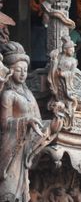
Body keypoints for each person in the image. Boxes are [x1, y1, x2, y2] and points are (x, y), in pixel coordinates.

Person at [0, 42, 45, 201]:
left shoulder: (28, 93)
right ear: (10, 71)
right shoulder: (8, 95)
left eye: (25, 70)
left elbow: (36, 117)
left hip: (24, 147)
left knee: (24, 189)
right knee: (10, 191)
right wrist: (25, 121)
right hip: (12, 149)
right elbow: (4, 124)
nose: (23, 74)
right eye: (18, 70)